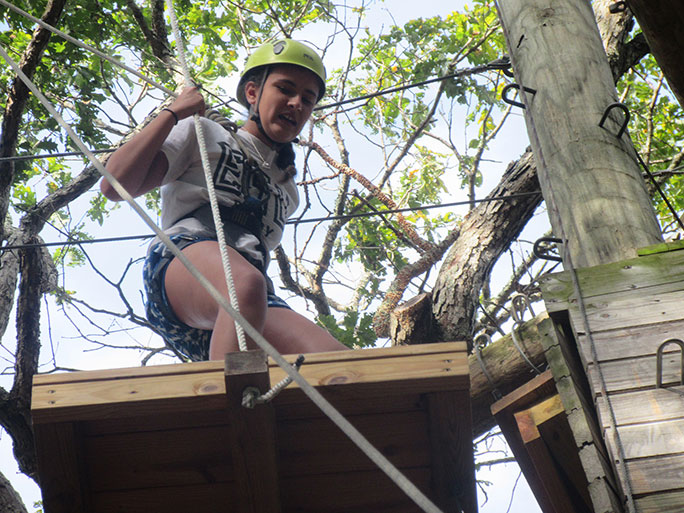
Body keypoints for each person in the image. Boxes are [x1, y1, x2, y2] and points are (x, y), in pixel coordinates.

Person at [102, 39, 348, 361]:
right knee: (243, 285)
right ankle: (227, 408)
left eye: (307, 98)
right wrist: (173, 113)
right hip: (183, 265)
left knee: (336, 358)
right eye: (285, 89)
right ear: (252, 93)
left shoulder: (287, 191)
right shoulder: (204, 133)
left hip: (251, 300)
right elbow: (115, 185)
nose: (296, 103)